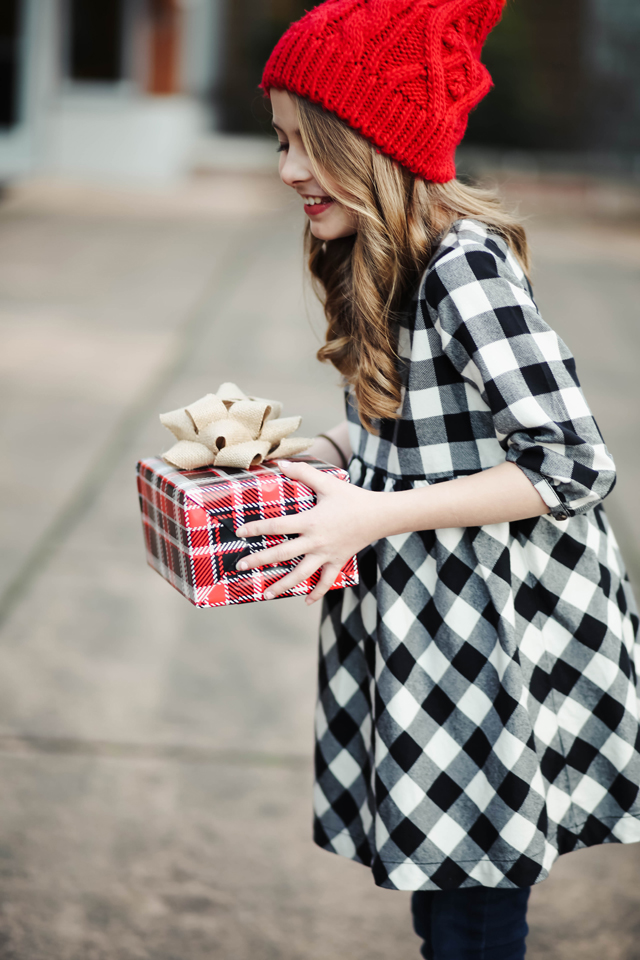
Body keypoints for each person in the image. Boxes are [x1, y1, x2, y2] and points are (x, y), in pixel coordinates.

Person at [232, 1, 640, 956]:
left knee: (475, 904)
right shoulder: (384, 258)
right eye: (280, 140)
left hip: (499, 637)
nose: (288, 168)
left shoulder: (465, 267)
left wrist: (371, 516)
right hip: (430, 626)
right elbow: (414, 433)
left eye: (308, 142)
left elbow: (574, 464)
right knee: (441, 882)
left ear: (373, 140)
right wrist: (330, 461)